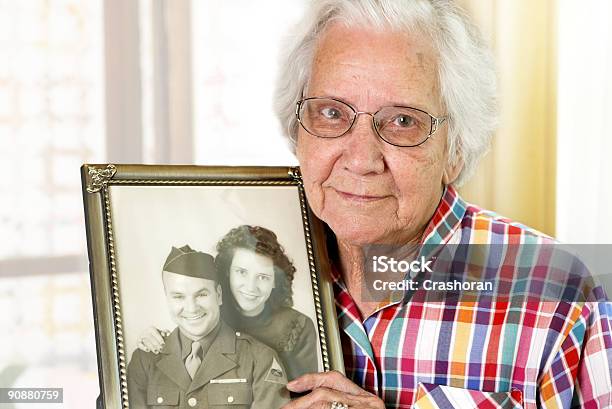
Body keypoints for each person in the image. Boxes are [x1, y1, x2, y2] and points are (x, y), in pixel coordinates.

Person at [268, 1, 611, 409]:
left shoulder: (561, 295)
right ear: (298, 130)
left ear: (456, 151)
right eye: (330, 113)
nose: (361, 160)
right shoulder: (249, 272)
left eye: (402, 121)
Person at [138, 226, 319, 382]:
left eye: (263, 277)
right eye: (241, 272)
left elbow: (303, 395)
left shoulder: (297, 327)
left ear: (275, 281)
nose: (250, 287)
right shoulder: (209, 313)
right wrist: (155, 339)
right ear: (227, 272)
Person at [127, 245, 290, 408]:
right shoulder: (145, 361)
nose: (191, 308)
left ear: (218, 295)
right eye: (178, 297)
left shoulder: (260, 359)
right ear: (167, 299)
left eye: (201, 294)